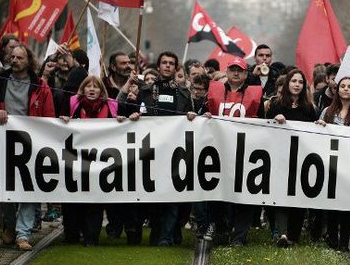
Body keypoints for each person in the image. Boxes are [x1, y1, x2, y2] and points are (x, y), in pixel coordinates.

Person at [0, 45, 55, 250]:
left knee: (29, 188)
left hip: (31, 145)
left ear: (28, 60)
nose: (15, 60)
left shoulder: (40, 85)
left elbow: (48, 116)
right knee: (6, 188)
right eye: (11, 57)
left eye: (19, 57)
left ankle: (23, 233)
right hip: (4, 144)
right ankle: (10, 226)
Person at [187, 56, 264, 246]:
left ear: (246, 74)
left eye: (240, 70)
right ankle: (220, 229)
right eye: (232, 70)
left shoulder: (255, 95)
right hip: (219, 152)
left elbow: (263, 120)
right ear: (227, 72)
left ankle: (239, 236)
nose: (236, 73)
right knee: (217, 191)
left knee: (244, 194)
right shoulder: (214, 93)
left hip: (246, 152)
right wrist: (199, 116)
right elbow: (203, 113)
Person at [122, 51, 192, 247]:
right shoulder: (145, 91)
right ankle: (156, 233)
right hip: (150, 152)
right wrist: (132, 110)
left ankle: (166, 237)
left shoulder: (184, 94)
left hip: (175, 152)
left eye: (171, 63)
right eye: (164, 63)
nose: (167, 66)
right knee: (152, 197)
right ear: (159, 66)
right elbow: (128, 111)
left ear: (176, 68)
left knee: (172, 196)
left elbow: (191, 116)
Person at [59, 76, 119, 246]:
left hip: (100, 162)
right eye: (88, 86)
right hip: (74, 161)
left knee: (95, 200)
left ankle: (91, 236)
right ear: (82, 89)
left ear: (102, 91)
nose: (92, 89)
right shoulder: (72, 103)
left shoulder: (111, 106)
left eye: (96, 87)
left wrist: (122, 121)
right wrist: (63, 120)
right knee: (72, 199)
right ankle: (71, 234)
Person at [315, 76, 350, 250]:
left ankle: (344, 241)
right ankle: (332, 237)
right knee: (331, 203)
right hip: (331, 165)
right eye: (342, 86)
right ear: (337, 90)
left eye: (349, 86)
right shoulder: (327, 112)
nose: (345, 89)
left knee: (347, 205)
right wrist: (320, 126)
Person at [266, 69, 317, 247]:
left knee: (298, 196)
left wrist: (320, 125)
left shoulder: (309, 108)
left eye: (300, 82)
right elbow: (265, 128)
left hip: (301, 159)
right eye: (294, 81)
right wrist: (274, 118)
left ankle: (293, 235)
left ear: (304, 86)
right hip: (280, 159)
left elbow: (315, 131)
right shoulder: (277, 105)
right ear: (287, 83)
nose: (297, 84)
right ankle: (282, 233)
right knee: (280, 195)